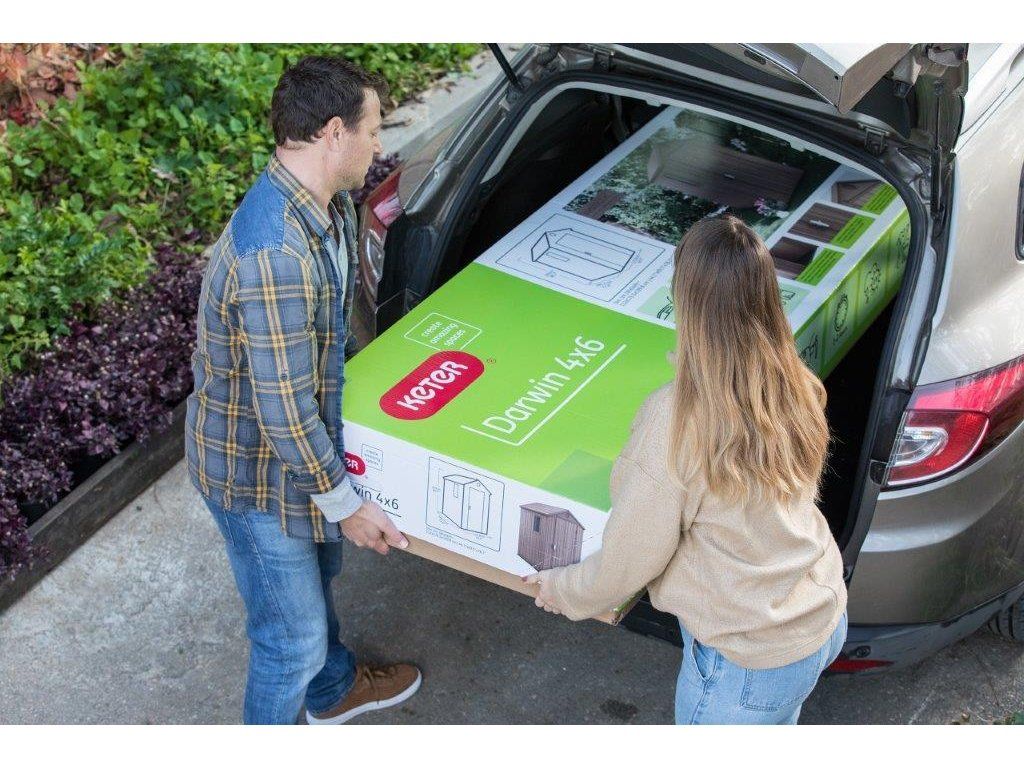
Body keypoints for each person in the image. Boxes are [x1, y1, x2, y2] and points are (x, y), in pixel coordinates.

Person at [525, 214, 848, 725]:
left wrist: (562, 590)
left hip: (747, 659)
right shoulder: (791, 382)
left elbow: (630, 558)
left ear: (684, 301)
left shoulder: (676, 422)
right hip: (818, 612)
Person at [185, 56, 420, 725]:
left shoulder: (328, 205)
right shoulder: (277, 255)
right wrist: (346, 506)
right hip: (252, 476)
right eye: (373, 130)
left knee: (314, 587)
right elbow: (286, 414)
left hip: (293, 456)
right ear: (335, 132)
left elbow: (323, 349)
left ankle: (333, 690)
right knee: (290, 642)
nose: (379, 145)